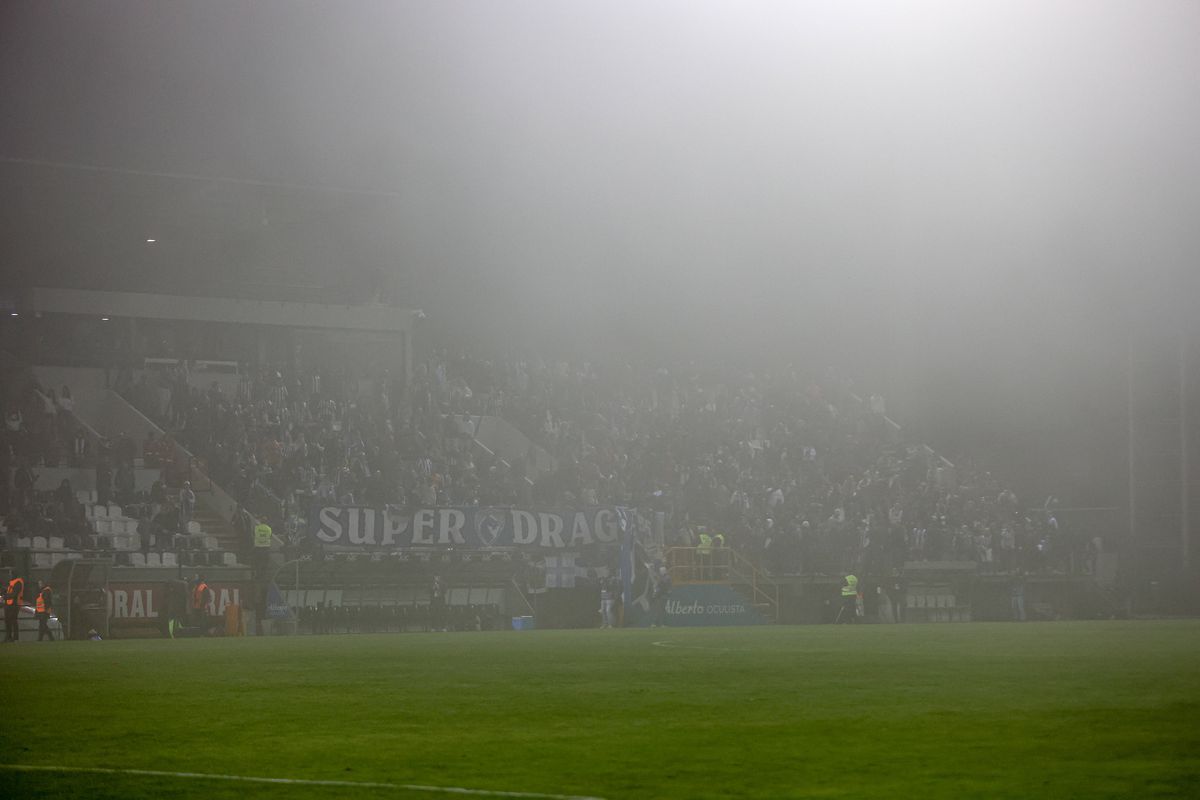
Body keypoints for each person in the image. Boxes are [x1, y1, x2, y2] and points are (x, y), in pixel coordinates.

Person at [5, 574, 26, 642]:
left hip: (14, 603)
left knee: (13, 620)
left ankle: (14, 638)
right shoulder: (13, 583)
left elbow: (14, 593)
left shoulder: (17, 582)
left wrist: (5, 597)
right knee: (8, 621)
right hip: (9, 603)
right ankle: (9, 637)